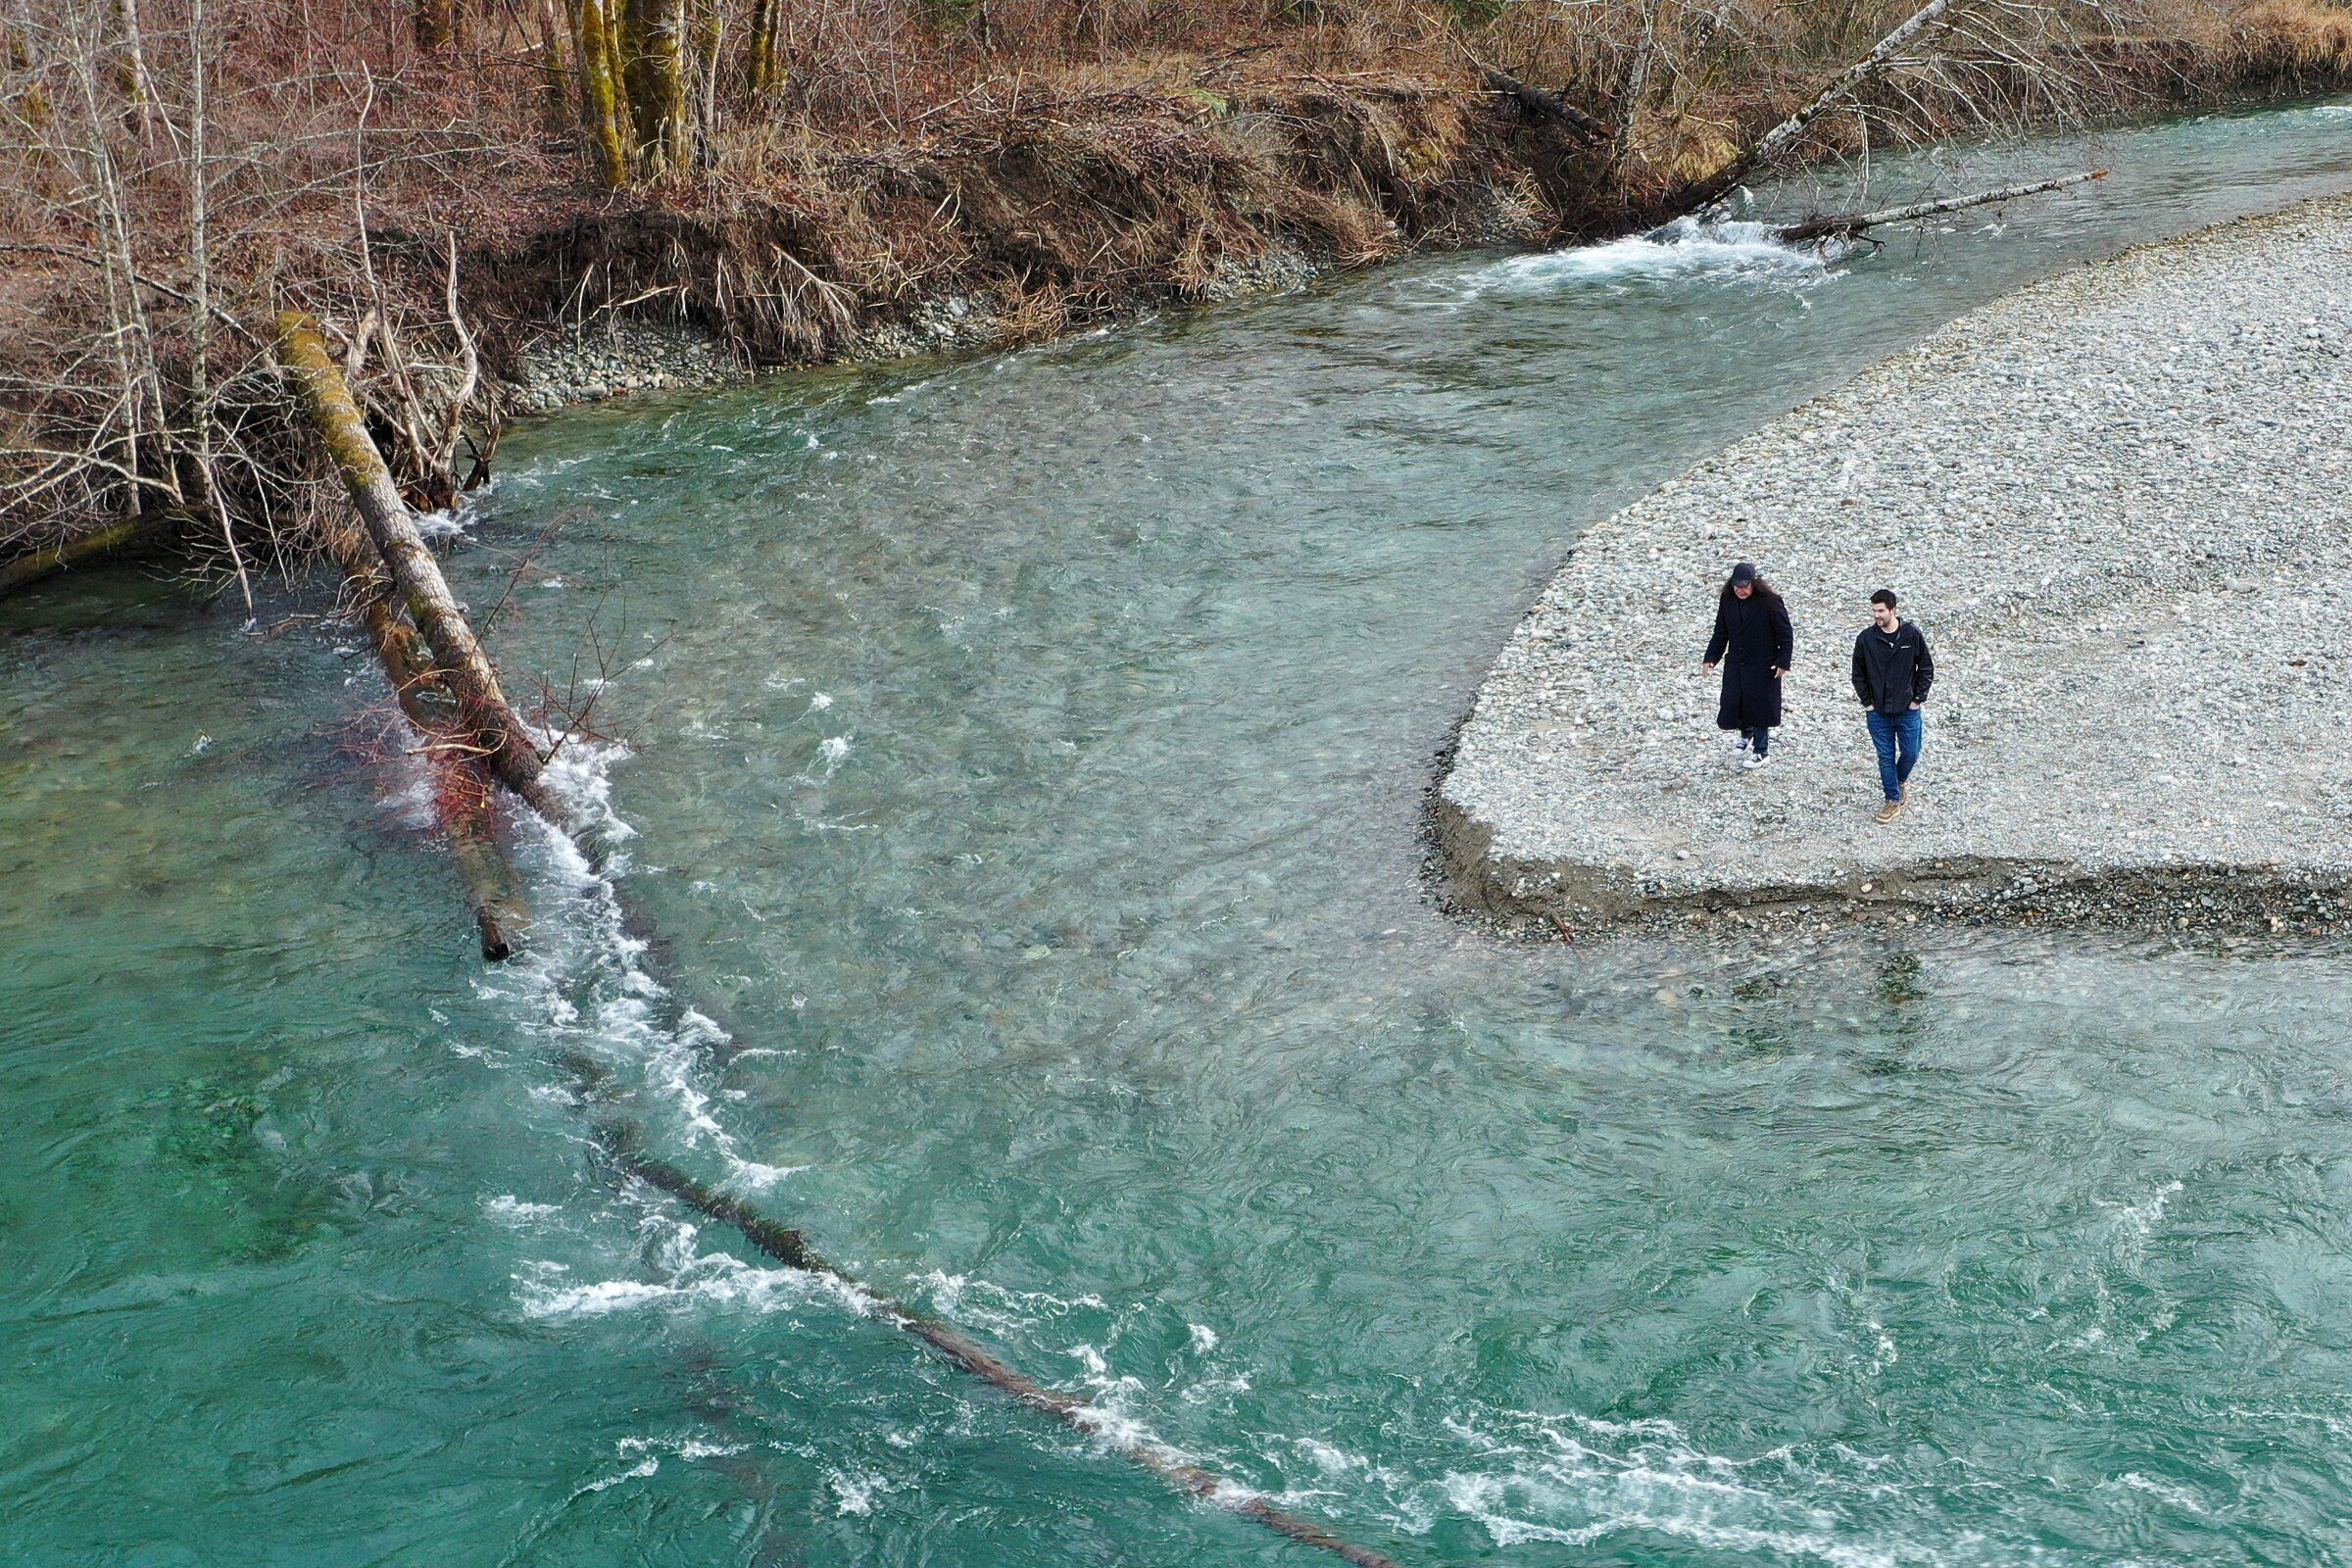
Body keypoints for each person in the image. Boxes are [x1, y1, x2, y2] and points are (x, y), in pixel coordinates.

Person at [1850, 587, 1935, 823]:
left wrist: (1917, 700)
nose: (1877, 615)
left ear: (1893, 610)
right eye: (1874, 611)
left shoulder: (1911, 636)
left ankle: (1899, 781)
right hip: (1878, 712)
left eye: (1881, 611)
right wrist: (1867, 703)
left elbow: (1926, 668)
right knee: (1885, 756)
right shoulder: (1866, 639)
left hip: (1907, 710)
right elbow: (1858, 673)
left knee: (1911, 751)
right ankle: (1892, 800)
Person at [1701, 562, 1792, 770]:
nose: (1740, 590)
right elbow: (1720, 631)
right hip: (1736, 662)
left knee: (1760, 707)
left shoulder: (1771, 602)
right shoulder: (1727, 600)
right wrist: (1711, 657)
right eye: (1736, 586)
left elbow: (1785, 634)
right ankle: (1746, 733)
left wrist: (1783, 661)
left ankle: (1761, 751)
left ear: (1754, 583)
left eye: (1744, 586)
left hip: (1764, 665)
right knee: (1735, 701)